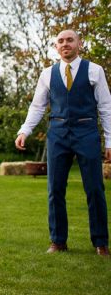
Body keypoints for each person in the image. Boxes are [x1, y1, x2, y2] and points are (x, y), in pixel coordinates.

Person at [15, 29, 111, 257]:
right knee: (55, 189)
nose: (65, 44)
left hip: (86, 131)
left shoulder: (95, 71)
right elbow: (37, 107)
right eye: (60, 41)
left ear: (79, 43)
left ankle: (100, 242)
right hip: (57, 133)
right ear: (56, 47)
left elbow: (106, 107)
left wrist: (110, 140)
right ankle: (58, 241)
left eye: (70, 40)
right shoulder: (47, 74)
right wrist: (24, 131)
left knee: (95, 188)